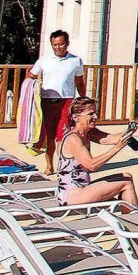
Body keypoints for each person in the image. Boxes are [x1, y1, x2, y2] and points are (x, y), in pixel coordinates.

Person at [56, 97, 138, 208]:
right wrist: (118, 147)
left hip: (83, 188)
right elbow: (91, 165)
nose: (95, 117)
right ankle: (134, 218)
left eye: (95, 113)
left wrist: (129, 131)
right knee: (126, 183)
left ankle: (131, 217)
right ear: (76, 118)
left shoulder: (88, 132)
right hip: (72, 195)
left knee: (127, 176)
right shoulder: (73, 139)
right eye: (91, 114)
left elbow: (110, 139)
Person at [28, 30, 87, 175]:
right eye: (55, 45)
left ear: (67, 43)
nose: (58, 47)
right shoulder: (44, 60)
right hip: (46, 102)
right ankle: (49, 166)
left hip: (66, 102)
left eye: (61, 44)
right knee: (49, 137)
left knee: (64, 136)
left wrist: (84, 100)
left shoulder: (76, 61)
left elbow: (79, 83)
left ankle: (63, 165)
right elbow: (30, 76)